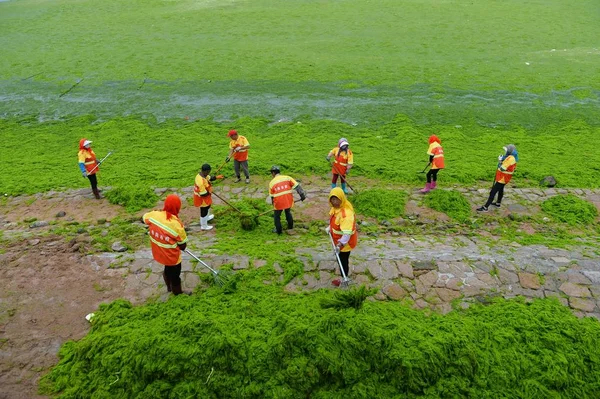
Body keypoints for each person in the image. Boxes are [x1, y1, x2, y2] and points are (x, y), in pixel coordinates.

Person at [143, 194, 189, 295]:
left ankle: (169, 287)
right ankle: (178, 293)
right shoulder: (177, 225)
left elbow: (144, 218)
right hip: (172, 256)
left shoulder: (154, 215)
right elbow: (183, 246)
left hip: (159, 251)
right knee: (175, 275)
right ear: (178, 208)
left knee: (167, 269)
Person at [325, 187, 358, 287]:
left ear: (342, 199)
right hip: (337, 240)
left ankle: (345, 279)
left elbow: (346, 234)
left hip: (345, 243)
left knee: (343, 261)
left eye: (337, 199)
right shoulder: (336, 209)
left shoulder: (346, 214)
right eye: (332, 199)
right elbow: (335, 222)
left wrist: (339, 245)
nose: (334, 202)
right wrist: (329, 228)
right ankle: (344, 277)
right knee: (340, 260)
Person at [477, 144, 519, 212]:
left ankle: (485, 207)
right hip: (504, 177)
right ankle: (498, 203)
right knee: (500, 190)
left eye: (506, 150)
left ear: (509, 151)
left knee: (492, 192)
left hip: (503, 178)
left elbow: (502, 168)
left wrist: (499, 161)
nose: (505, 152)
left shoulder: (510, 159)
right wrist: (502, 160)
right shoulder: (511, 157)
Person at [268, 165, 306, 235]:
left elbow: (272, 197)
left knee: (277, 216)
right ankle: (290, 227)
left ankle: (279, 231)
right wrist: (302, 196)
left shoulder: (271, 183)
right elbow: (297, 187)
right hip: (288, 200)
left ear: (273, 173)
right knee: (288, 212)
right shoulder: (287, 178)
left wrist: (274, 205)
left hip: (278, 202)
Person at [193, 164, 224, 231]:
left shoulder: (204, 175)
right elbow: (203, 193)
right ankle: (204, 225)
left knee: (208, 206)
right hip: (201, 198)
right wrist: (209, 191)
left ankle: (207, 218)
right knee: (204, 210)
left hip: (206, 196)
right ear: (205, 171)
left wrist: (216, 177)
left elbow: (210, 178)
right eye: (208, 172)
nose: (209, 173)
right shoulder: (200, 181)